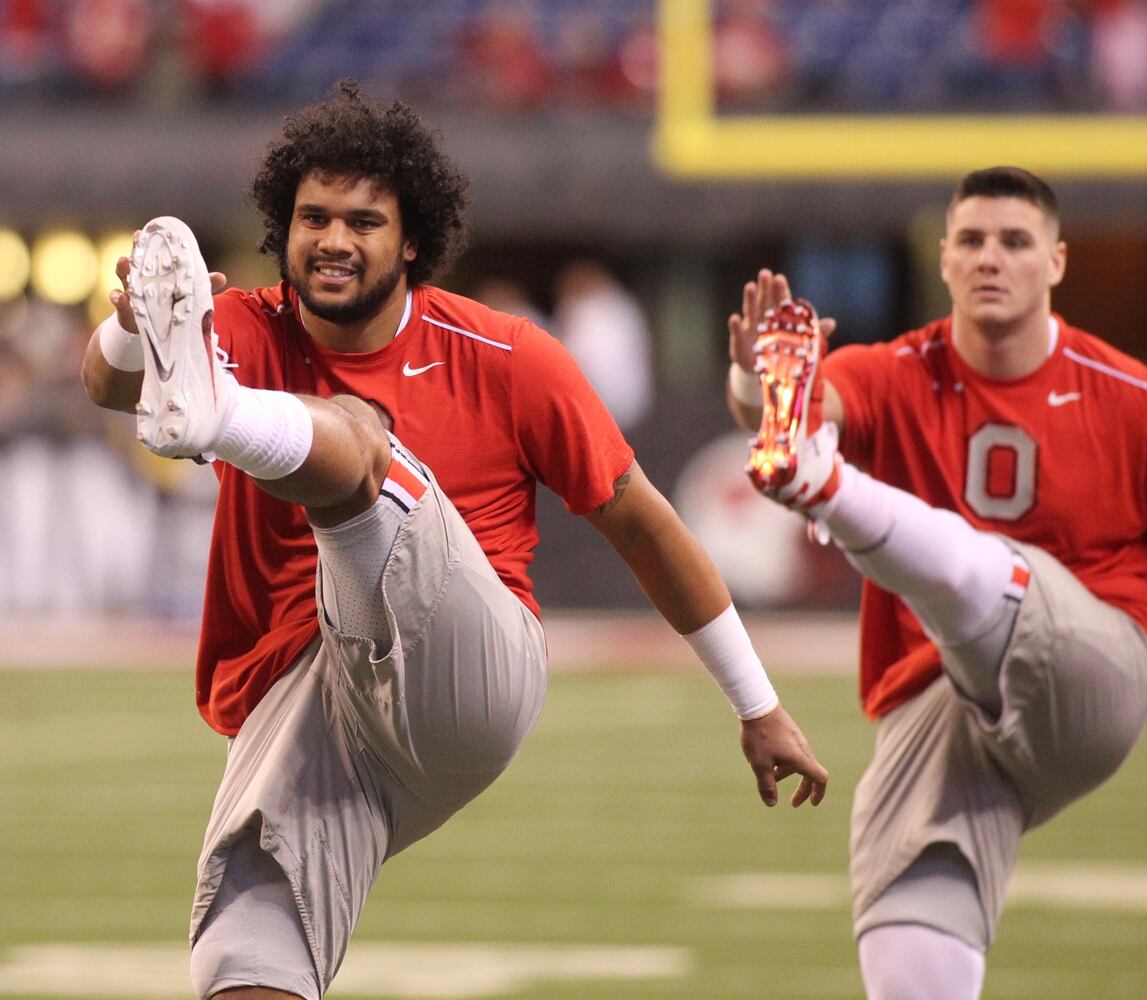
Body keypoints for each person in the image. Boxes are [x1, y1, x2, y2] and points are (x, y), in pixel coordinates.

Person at [81, 83, 828, 1000]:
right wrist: (131, 325)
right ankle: (220, 413)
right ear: (284, 226)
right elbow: (112, 389)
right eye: (313, 216)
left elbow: (643, 524)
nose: (334, 240)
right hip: (313, 701)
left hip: (464, 675)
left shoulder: (511, 357)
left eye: (363, 220)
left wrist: (756, 706)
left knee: (356, 438)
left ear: (415, 242)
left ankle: (227, 416)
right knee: (243, 965)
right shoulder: (242, 323)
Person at [724, 166, 1147, 999]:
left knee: (993, 569)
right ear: (945, 258)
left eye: (1014, 241)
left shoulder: (1135, 398)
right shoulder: (897, 370)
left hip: (1091, 671)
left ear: (1056, 263)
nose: (991, 258)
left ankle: (822, 488)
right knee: (903, 905)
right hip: (945, 701)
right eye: (972, 240)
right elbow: (790, 408)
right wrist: (755, 380)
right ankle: (818, 480)